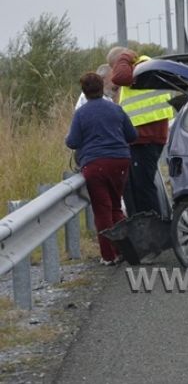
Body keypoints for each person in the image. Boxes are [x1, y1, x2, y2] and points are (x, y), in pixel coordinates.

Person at [66, 73, 137, 265]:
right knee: (116, 206)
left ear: (84, 92)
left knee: (102, 210)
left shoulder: (81, 114)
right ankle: (125, 251)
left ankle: (108, 256)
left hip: (95, 164)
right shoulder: (116, 109)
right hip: (121, 162)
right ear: (101, 88)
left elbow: (72, 141)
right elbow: (132, 135)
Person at [107, 47, 173, 216]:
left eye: (114, 66)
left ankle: (153, 227)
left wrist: (124, 57)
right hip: (142, 138)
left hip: (147, 138)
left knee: (144, 187)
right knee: (136, 186)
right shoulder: (141, 70)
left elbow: (119, 77)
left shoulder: (142, 68)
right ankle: (142, 224)